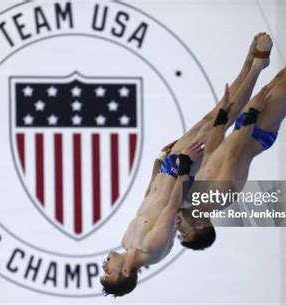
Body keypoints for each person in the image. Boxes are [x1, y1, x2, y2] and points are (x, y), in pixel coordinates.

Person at [100, 33, 274, 297]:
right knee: (220, 121)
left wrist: (158, 161)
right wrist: (185, 166)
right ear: (126, 272)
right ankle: (257, 69)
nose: (105, 265)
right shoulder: (153, 249)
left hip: (168, 169)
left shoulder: (127, 240)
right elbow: (173, 205)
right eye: (108, 271)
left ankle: (248, 65)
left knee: (213, 114)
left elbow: (150, 195)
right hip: (184, 170)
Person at [176, 0, 286, 250]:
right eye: (185, 233)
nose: (179, 229)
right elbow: (234, 154)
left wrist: (223, 113)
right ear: (200, 226)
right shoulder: (219, 198)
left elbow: (213, 150)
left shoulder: (196, 196)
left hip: (243, 129)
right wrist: (253, 110)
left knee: (284, 75)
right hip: (257, 133)